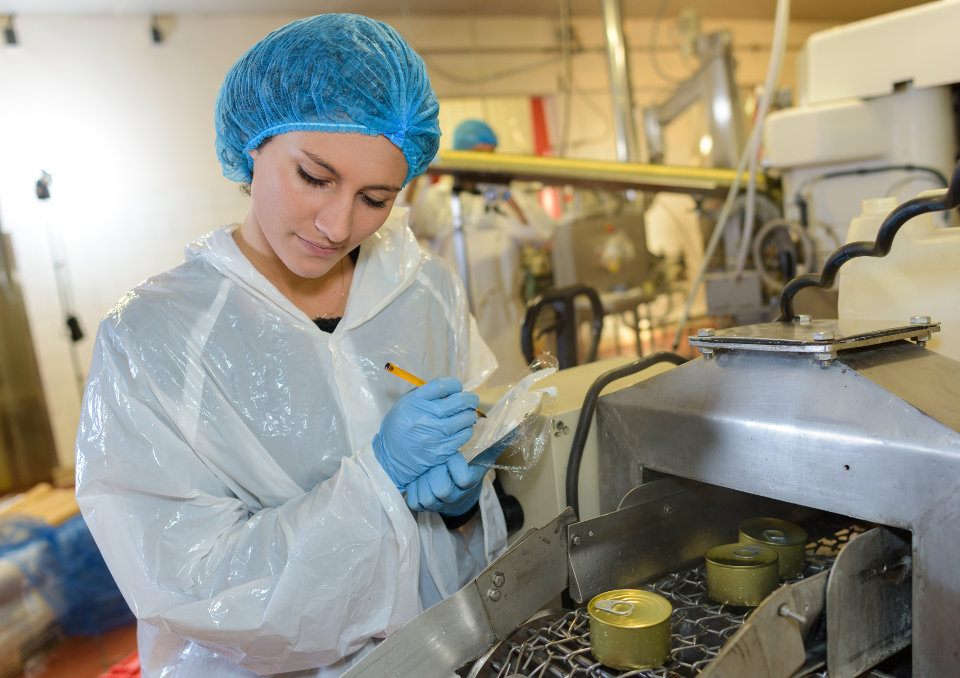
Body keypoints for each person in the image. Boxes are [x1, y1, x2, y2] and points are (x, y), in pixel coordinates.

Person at [74, 14, 508, 678]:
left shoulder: (425, 290)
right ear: (253, 144)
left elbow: (473, 513)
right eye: (314, 177)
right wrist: (379, 480)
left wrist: (462, 506)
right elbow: (191, 585)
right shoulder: (154, 338)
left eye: (375, 198)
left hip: (438, 656)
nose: (337, 225)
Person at [408, 119, 556, 386]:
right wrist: (417, 177)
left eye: (490, 155)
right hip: (462, 316)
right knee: (472, 389)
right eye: (477, 155)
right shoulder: (441, 198)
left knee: (513, 387)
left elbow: (542, 233)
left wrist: (507, 197)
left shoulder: (504, 197)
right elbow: (408, 223)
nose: (483, 164)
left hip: (507, 317)